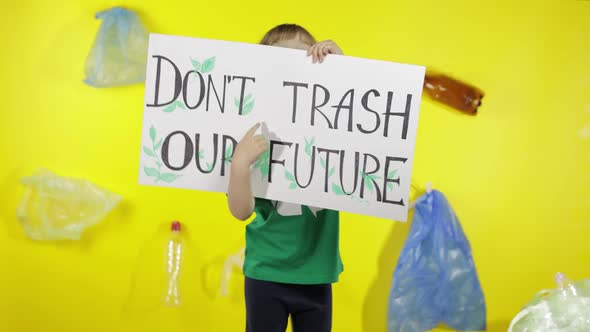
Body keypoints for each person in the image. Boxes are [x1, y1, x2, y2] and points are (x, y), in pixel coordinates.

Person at [226, 24, 344, 332]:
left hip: (317, 271)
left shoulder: (330, 129)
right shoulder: (253, 134)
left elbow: (354, 122)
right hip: (266, 272)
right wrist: (239, 164)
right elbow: (241, 211)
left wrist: (343, 69)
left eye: (300, 62)